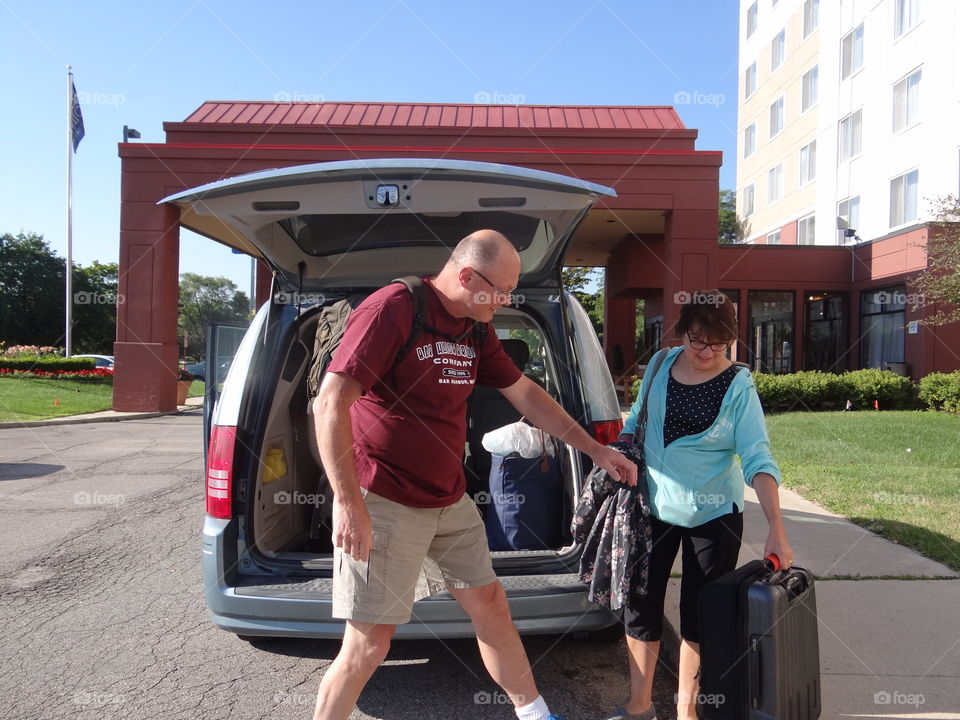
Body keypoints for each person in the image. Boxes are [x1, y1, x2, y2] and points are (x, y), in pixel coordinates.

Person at [311, 229, 637, 720]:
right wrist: (347, 501)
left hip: (448, 498)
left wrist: (593, 448)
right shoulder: (393, 309)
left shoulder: (475, 327)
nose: (506, 300)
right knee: (369, 645)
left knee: (490, 603)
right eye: (500, 290)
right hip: (383, 496)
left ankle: (535, 713)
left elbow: (525, 393)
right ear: (465, 275)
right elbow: (330, 402)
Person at [605, 290, 793, 720]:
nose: (705, 351)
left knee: (700, 614)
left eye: (717, 342)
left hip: (713, 516)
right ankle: (639, 705)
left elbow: (758, 457)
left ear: (730, 339)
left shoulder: (739, 385)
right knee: (641, 604)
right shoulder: (660, 364)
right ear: (683, 333)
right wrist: (620, 450)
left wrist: (776, 526)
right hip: (652, 508)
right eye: (696, 340)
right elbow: (636, 421)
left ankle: (686, 712)